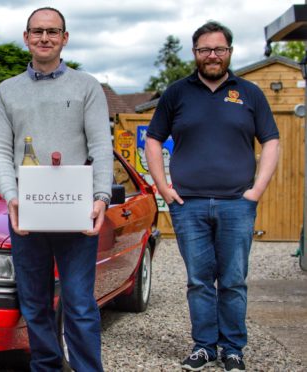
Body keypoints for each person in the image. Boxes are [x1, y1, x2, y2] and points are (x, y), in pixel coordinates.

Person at [145, 21, 280, 372]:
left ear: (230, 52)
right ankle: (204, 346)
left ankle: (233, 348)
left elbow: (271, 141)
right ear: (195, 54)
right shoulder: (176, 93)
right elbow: (154, 139)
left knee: (233, 280)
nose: (212, 55)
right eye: (205, 49)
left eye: (219, 49)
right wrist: (164, 187)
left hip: (238, 203)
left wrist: (256, 190)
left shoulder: (249, 93)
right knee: (199, 281)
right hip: (188, 205)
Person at [0, 7, 113, 372]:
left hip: (76, 217)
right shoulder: (6, 91)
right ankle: (46, 365)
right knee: (35, 303)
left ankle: (88, 368)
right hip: (26, 215)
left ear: (65, 38)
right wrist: (11, 198)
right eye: (38, 32)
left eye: (53, 32)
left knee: (78, 303)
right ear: (26, 37)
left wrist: (101, 196)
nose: (45, 38)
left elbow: (101, 147)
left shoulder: (86, 86)